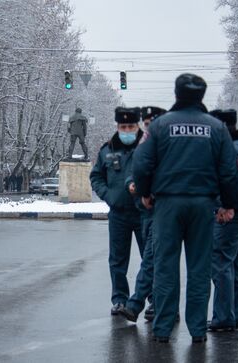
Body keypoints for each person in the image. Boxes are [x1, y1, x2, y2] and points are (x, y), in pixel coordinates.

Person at [132, 73, 237, 343]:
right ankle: (198, 330)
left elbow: (142, 163)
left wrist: (144, 193)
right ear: (202, 95)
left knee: (166, 267)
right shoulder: (217, 127)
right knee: (199, 268)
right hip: (203, 205)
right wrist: (227, 204)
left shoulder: (159, 126)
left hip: (167, 204)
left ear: (176, 93)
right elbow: (227, 171)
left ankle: (163, 329)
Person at [90, 107, 145, 316]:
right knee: (117, 260)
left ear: (137, 126)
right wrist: (108, 195)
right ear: (118, 127)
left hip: (144, 213)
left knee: (149, 258)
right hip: (119, 213)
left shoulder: (147, 147)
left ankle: (153, 299)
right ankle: (120, 299)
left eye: (131, 126)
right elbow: (96, 177)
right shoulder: (107, 150)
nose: (127, 130)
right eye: (123, 127)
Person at [118, 106, 168, 323]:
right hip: (146, 210)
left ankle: (140, 304)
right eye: (146, 124)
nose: (148, 128)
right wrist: (132, 184)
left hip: (162, 210)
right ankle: (154, 305)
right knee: (154, 260)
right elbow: (133, 171)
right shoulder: (143, 145)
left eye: (152, 124)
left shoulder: (167, 145)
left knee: (154, 260)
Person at [207, 109, 238, 332]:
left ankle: (224, 317)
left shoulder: (232, 150)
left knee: (221, 263)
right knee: (235, 263)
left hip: (231, 215)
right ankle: (233, 315)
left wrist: (226, 206)